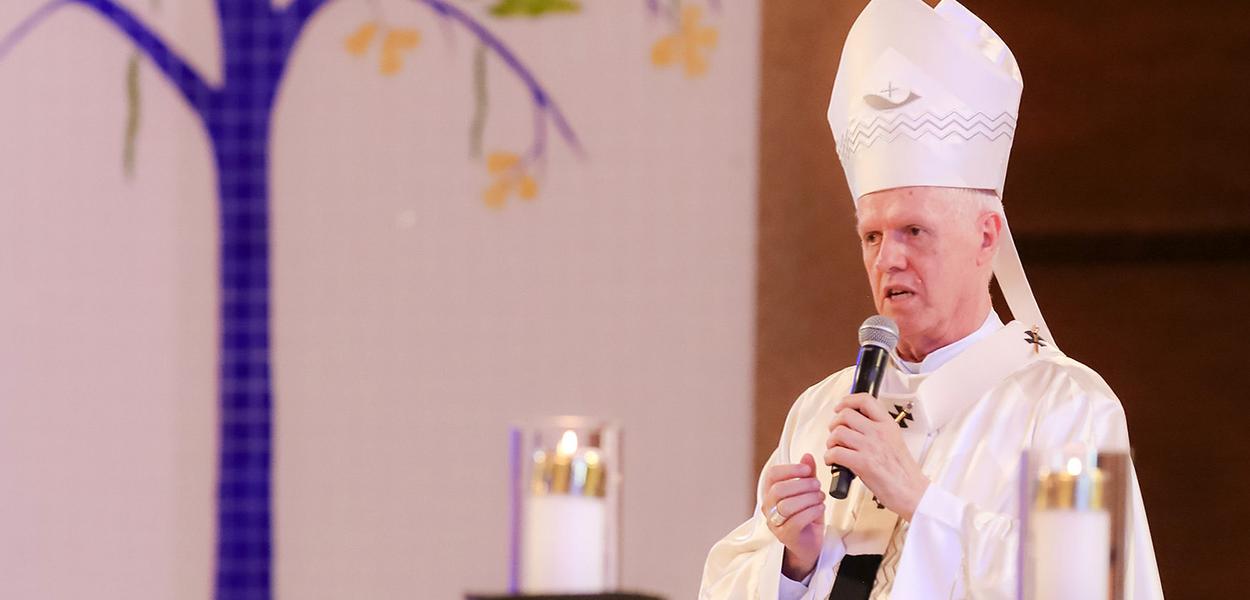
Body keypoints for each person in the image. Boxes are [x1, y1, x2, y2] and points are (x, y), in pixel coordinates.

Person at [699, 1, 1165, 599]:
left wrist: (920, 501)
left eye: (914, 231)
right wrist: (794, 564)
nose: (888, 259)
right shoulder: (822, 411)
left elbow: (1089, 586)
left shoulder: (1067, 409)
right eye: (872, 235)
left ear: (985, 236)